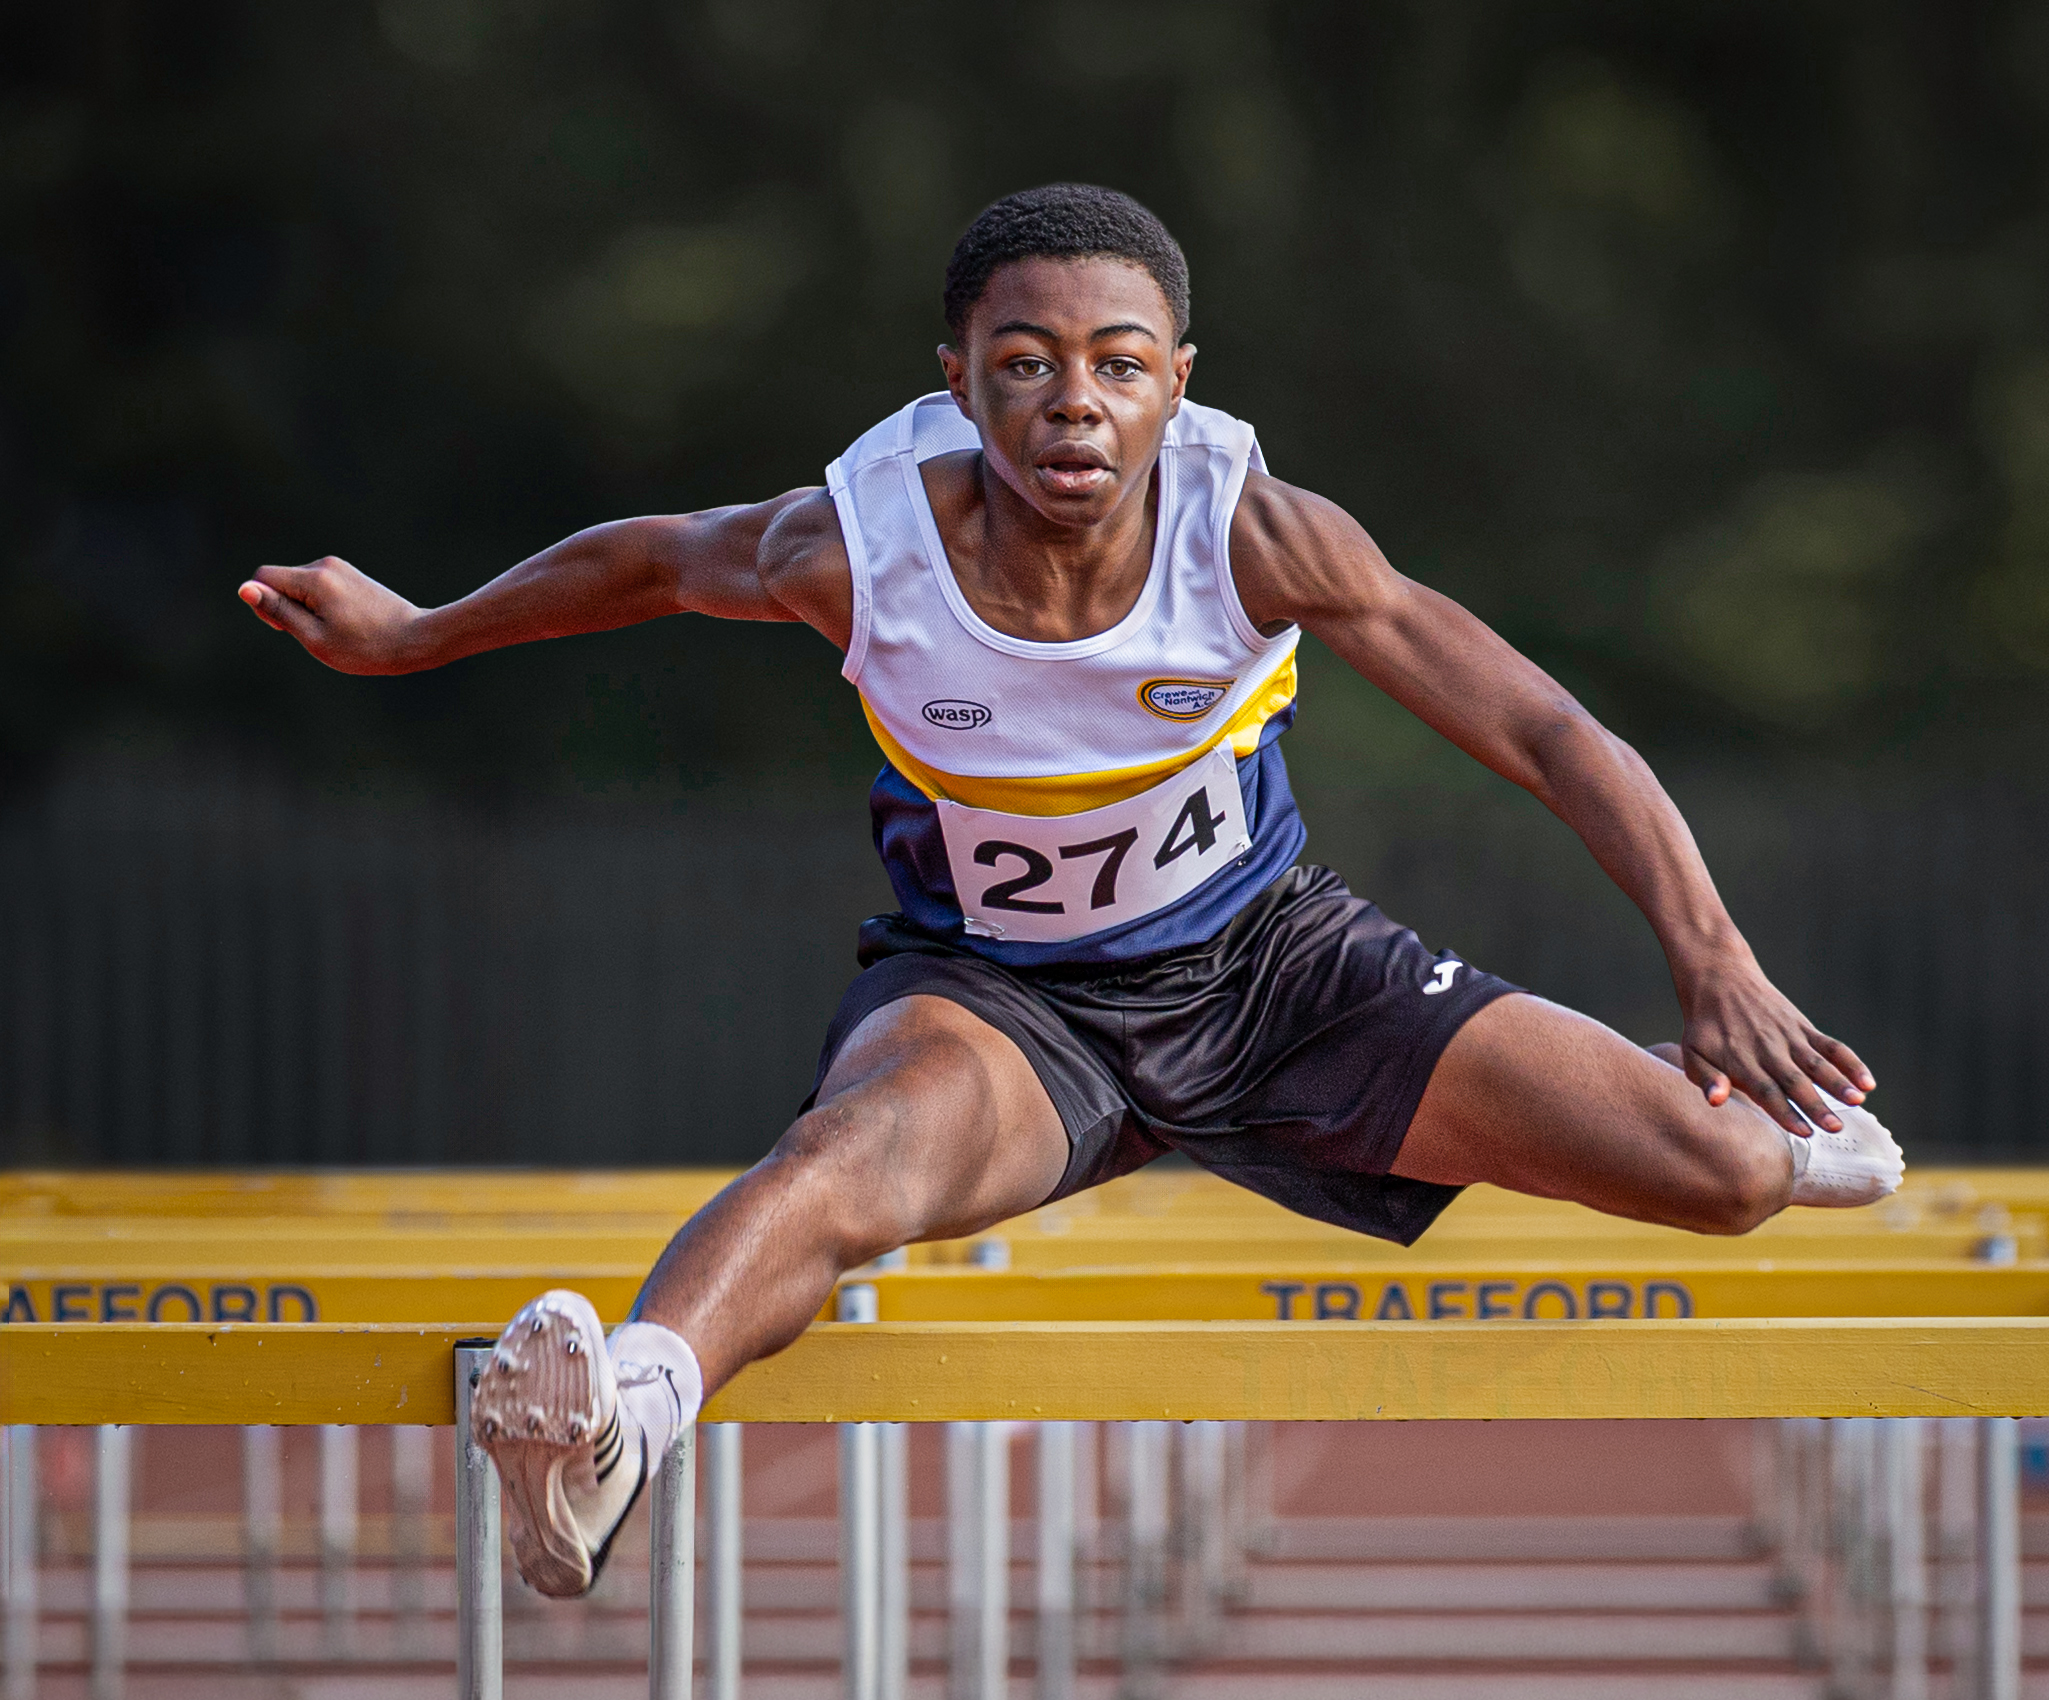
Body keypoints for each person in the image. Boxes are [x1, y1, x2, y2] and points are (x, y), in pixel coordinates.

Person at [238, 184, 1902, 1599]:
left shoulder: (1262, 538)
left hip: (1275, 971)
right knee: (839, 1163)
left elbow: (1542, 723)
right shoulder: (853, 548)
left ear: (1177, 386)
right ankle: (617, 1430)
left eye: (1117, 367)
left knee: (1726, 1174)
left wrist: (1713, 956)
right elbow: (650, 562)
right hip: (1005, 1003)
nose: (1072, 407)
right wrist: (420, 629)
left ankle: (1767, 1143)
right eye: (1023, 367)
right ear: (957, 384)